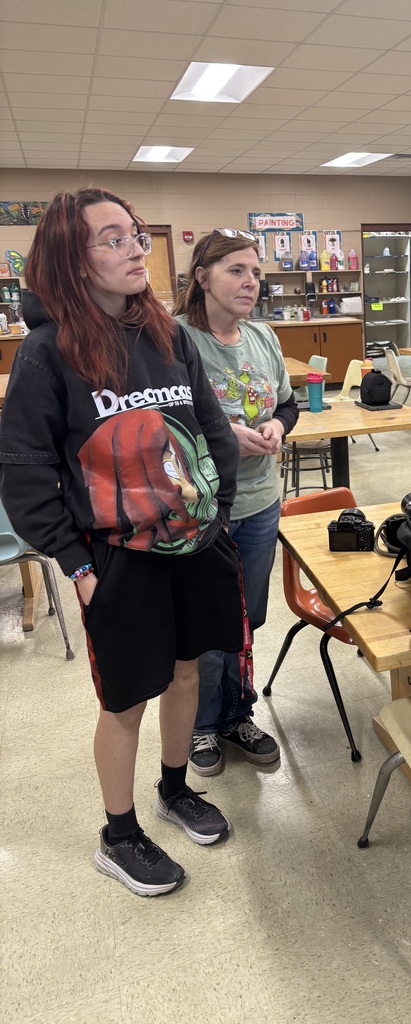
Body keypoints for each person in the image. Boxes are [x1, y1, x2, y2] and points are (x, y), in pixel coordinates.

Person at [0, 187, 246, 896]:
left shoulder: (168, 336)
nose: (136, 248)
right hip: (114, 558)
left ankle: (174, 788)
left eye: (134, 234)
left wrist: (219, 512)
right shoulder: (46, 353)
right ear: (72, 260)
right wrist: (77, 564)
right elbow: (25, 472)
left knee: (187, 674)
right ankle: (119, 835)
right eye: (113, 239)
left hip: (193, 543)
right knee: (125, 699)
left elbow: (212, 429)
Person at [173, 230, 298, 776]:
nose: (251, 283)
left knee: (246, 620)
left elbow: (288, 405)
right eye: (237, 271)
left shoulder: (263, 337)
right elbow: (159, 422)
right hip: (201, 510)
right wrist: (225, 434)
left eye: (256, 273)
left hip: (260, 502)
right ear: (202, 277)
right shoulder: (175, 339)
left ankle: (236, 714)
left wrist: (277, 425)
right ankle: (201, 725)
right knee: (207, 622)